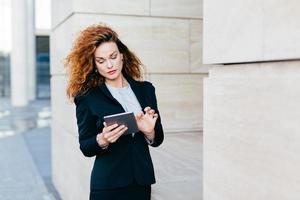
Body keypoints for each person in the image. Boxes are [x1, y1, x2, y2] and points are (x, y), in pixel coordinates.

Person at [65, 24, 164, 200]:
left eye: (113, 56)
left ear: (122, 56)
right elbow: (86, 146)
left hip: (141, 182)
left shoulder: (146, 90)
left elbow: (158, 139)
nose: (109, 65)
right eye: (101, 61)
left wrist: (150, 132)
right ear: (94, 65)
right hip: (107, 185)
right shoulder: (88, 97)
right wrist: (103, 139)